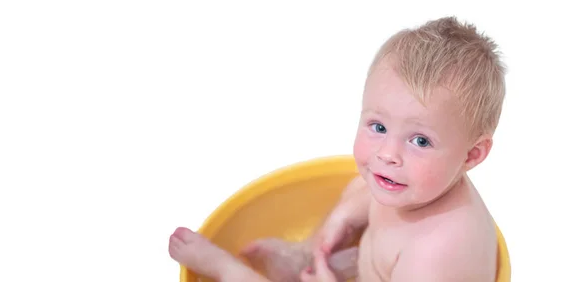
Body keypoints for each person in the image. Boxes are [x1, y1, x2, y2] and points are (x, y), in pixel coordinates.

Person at [169, 16, 507, 281]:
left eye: (420, 140)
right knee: (364, 184)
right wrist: (343, 218)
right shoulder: (418, 184)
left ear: (472, 155)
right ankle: (307, 254)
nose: (387, 153)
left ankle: (232, 273)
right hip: (370, 265)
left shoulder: (435, 257)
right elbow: (374, 194)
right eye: (378, 127)